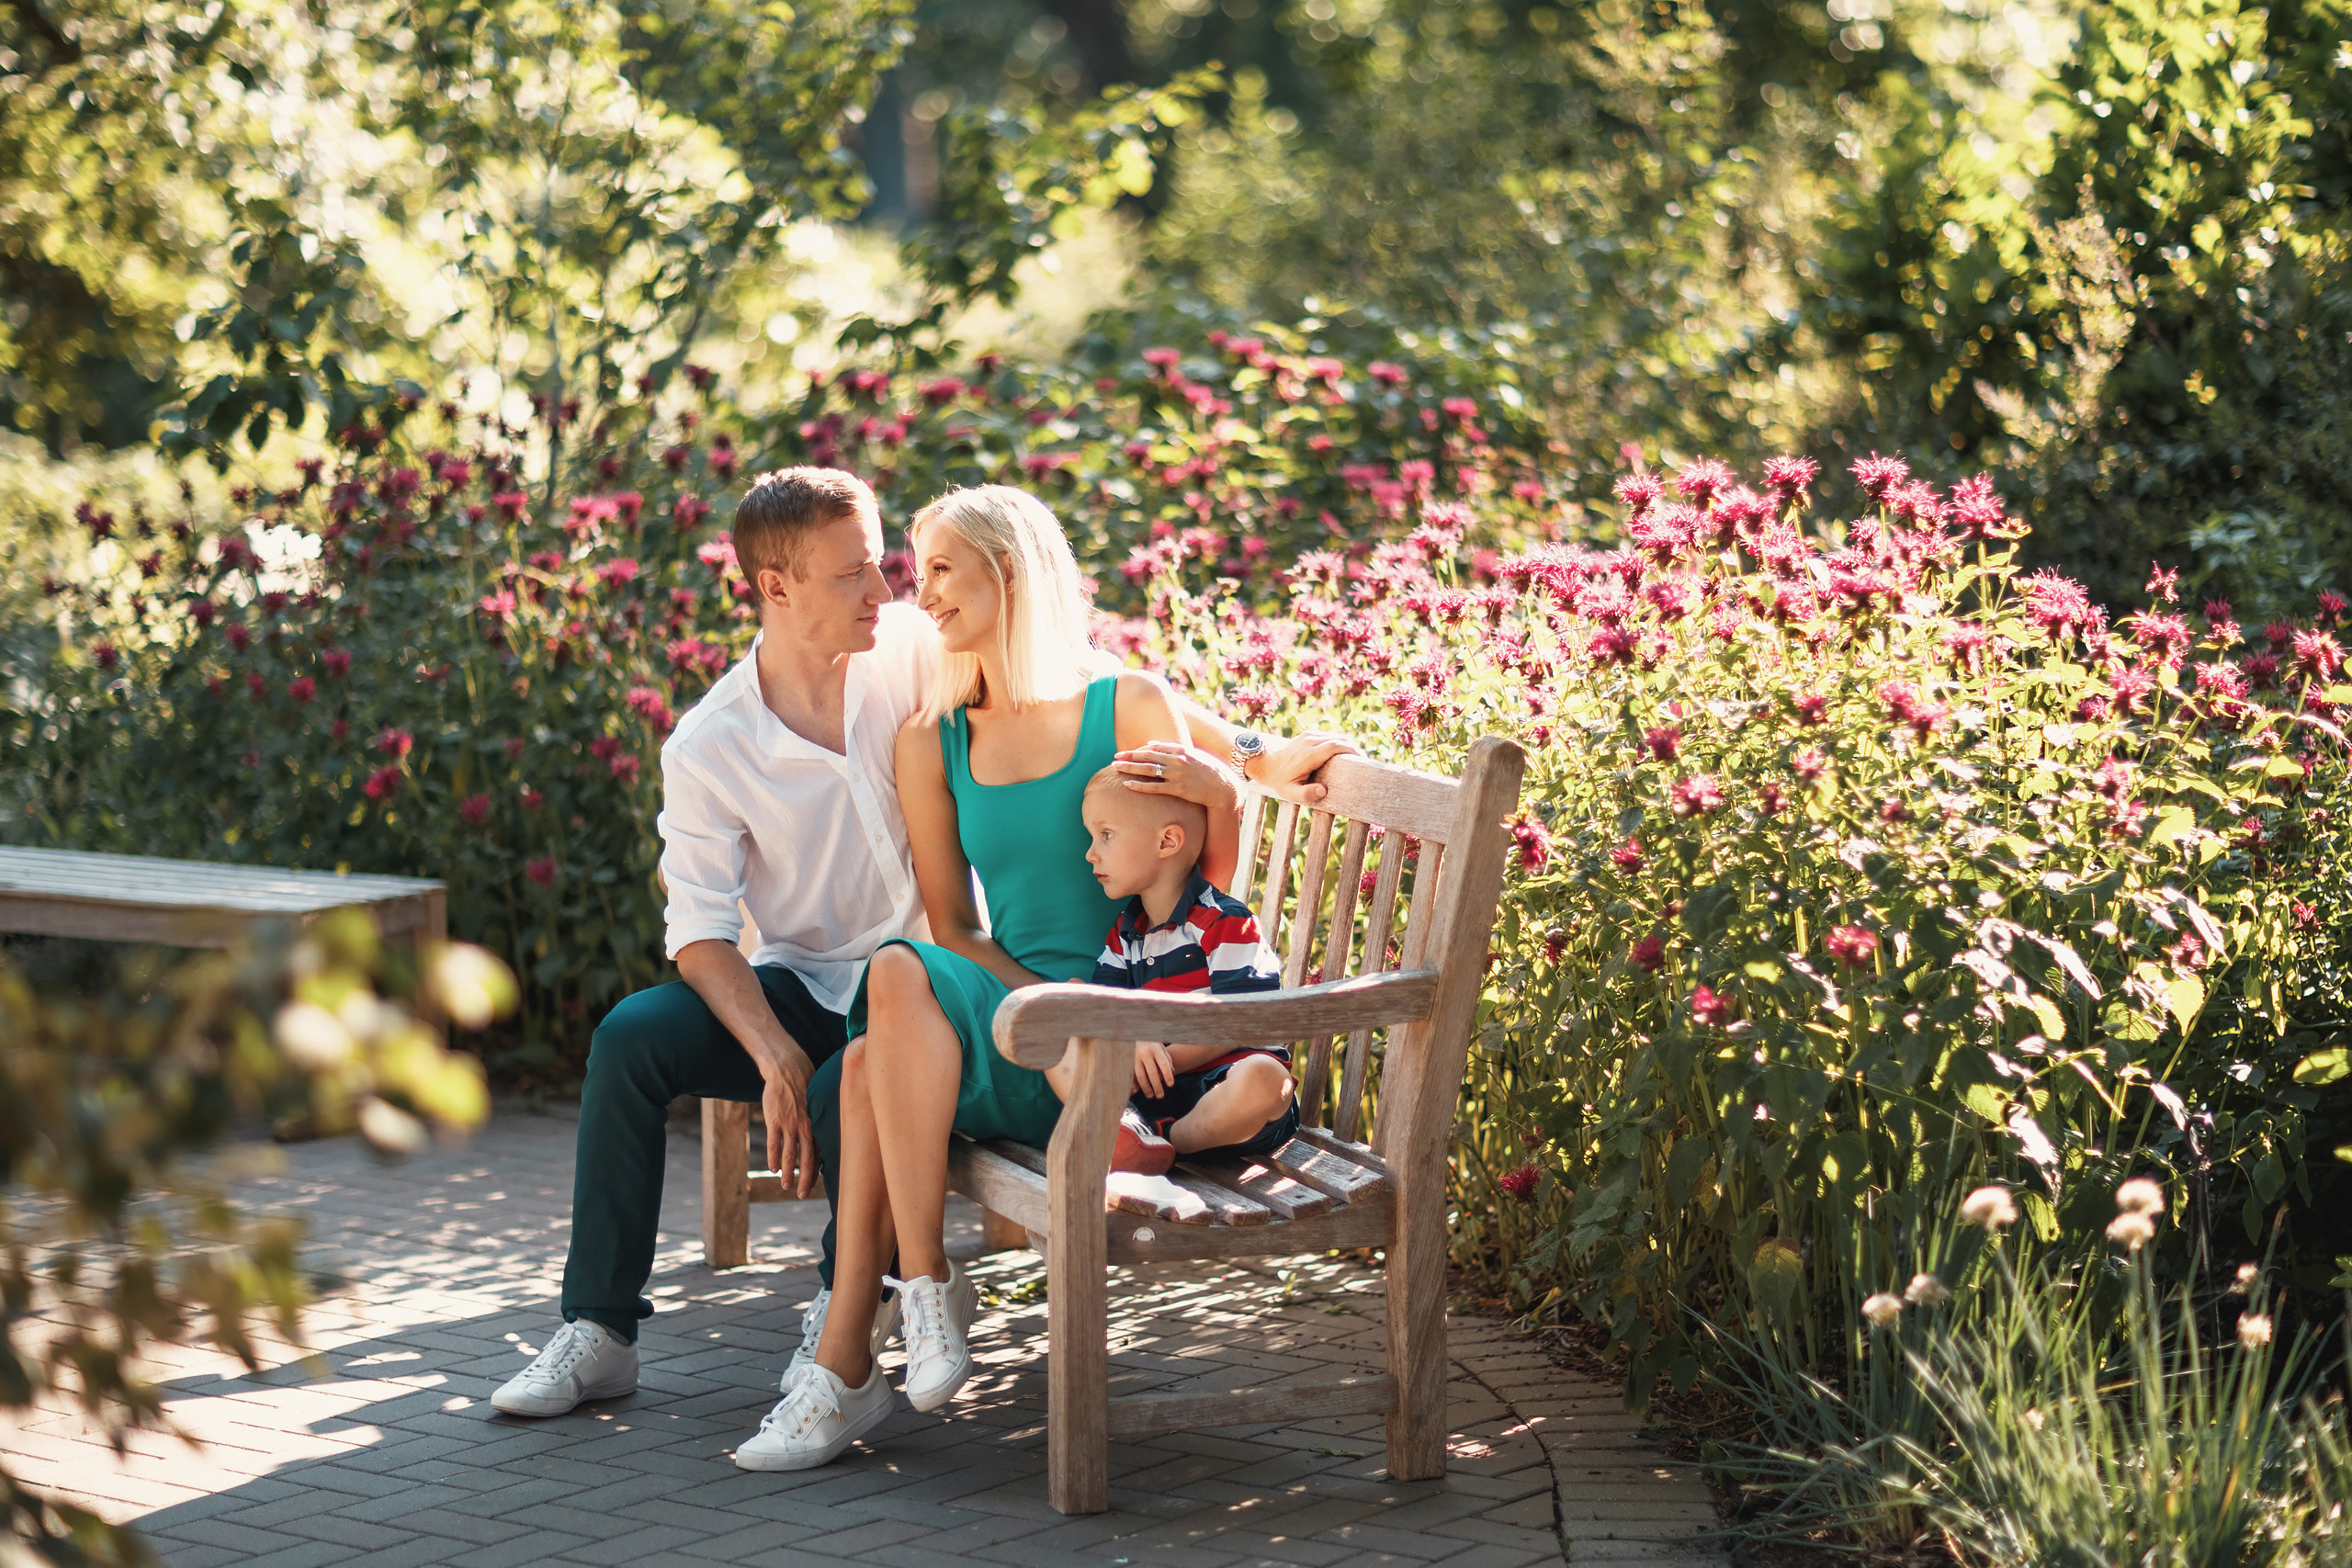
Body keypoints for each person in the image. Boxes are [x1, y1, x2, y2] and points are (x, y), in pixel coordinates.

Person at [488, 471, 1352, 1447]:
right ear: (778, 589)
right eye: (856, 573)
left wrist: (1244, 753)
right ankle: (599, 1326)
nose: (887, 591)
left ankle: (851, 1321)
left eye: (886, 567)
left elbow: (1071, 672)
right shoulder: (713, 745)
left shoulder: (906, 644)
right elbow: (696, 928)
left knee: (855, 1073)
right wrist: (771, 1052)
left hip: (950, 988)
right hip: (820, 987)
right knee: (633, 1037)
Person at [732, 485, 1254, 1472]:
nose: (913, 595)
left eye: (936, 569)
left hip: (1123, 1056)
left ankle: (855, 1359)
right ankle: (921, 1292)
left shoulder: (1128, 705)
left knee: (869, 1056)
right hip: (1015, 1031)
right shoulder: (933, 738)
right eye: (911, 570)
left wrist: (1235, 779)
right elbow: (955, 930)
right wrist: (1046, 1020)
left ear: (1007, 571)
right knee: (901, 972)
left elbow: (1203, 892)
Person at [1064, 765, 1298, 1176]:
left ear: (1167, 841)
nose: (1090, 853)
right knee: (1064, 1009)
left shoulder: (1225, 923)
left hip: (1225, 1091)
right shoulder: (1125, 935)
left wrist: (1161, 1062)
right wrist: (1131, 1041)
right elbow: (1102, 1005)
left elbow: (1239, 1019)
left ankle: (1175, 1143)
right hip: (1151, 1099)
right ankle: (1128, 1130)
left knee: (1265, 1078)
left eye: (1106, 835)